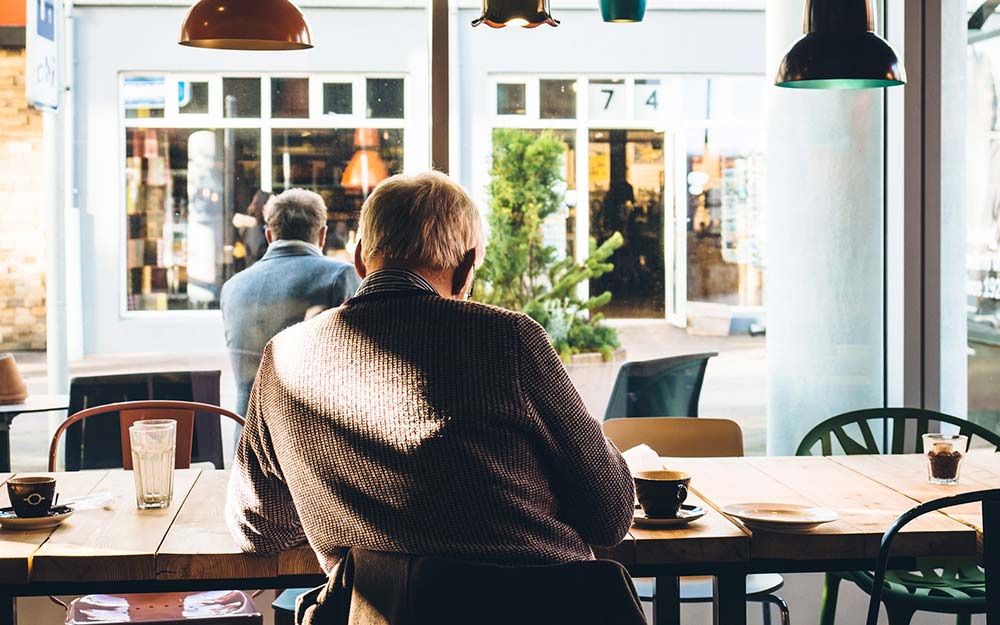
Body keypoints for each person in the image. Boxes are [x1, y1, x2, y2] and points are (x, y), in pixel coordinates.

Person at [226, 171, 634, 572]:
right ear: (466, 266)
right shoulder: (509, 339)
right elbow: (610, 515)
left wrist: (343, 505)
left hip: (378, 614)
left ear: (359, 258)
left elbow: (258, 528)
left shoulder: (283, 358)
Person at [221, 188, 360, 419]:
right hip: (307, 442)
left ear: (268, 236)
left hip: (246, 442)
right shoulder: (339, 276)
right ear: (323, 235)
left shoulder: (232, 286)